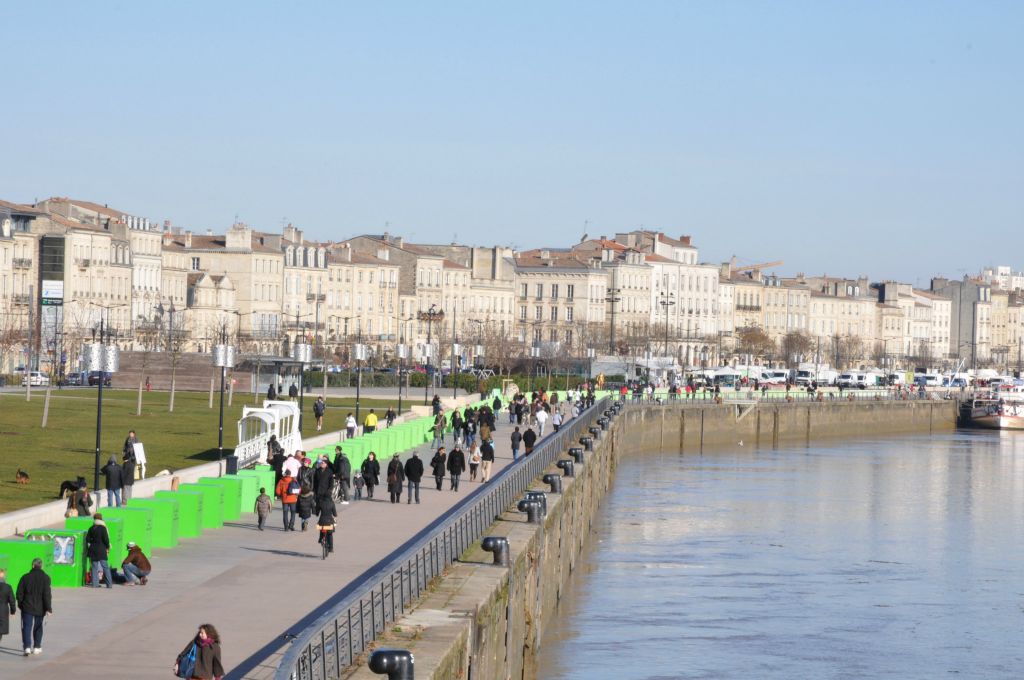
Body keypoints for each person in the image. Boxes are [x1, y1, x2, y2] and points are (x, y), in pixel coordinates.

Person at [16, 558, 51, 656]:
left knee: (26, 627)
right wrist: (48, 608)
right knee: (38, 627)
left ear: (32, 565)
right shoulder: (46, 578)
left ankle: (27, 647)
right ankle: (37, 647)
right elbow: (47, 594)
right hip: (40, 607)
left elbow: (19, 593)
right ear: (41, 566)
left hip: (27, 606)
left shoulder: (25, 577)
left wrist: (21, 604)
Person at [86, 513, 112, 588]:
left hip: (93, 549)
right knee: (105, 567)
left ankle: (95, 584)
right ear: (101, 519)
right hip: (101, 550)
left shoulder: (91, 528)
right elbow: (106, 539)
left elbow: (87, 539)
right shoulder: (103, 528)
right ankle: (109, 584)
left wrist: (93, 541)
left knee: (94, 567)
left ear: (94, 519)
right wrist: (107, 547)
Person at [122, 430, 138, 502]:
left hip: (133, 456)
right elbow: (125, 445)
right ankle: (128, 499)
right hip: (128, 454)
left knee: (131, 467)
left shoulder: (136, 439)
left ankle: (126, 500)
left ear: (134, 434)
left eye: (131, 433)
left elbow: (138, 447)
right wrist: (124, 450)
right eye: (130, 433)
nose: (130, 434)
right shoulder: (127, 439)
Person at [0, 568, 14, 646]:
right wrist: (13, 611)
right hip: (3, 610)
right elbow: (12, 600)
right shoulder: (7, 587)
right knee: (1, 629)